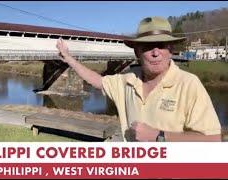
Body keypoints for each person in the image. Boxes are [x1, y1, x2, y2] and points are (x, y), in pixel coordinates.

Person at [56, 16, 222, 142]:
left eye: (162, 46)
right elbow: (98, 81)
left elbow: (213, 140)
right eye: (148, 47)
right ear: (137, 53)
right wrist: (69, 59)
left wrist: (159, 137)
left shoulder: (189, 84)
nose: (156, 52)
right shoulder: (127, 81)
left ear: (171, 50)